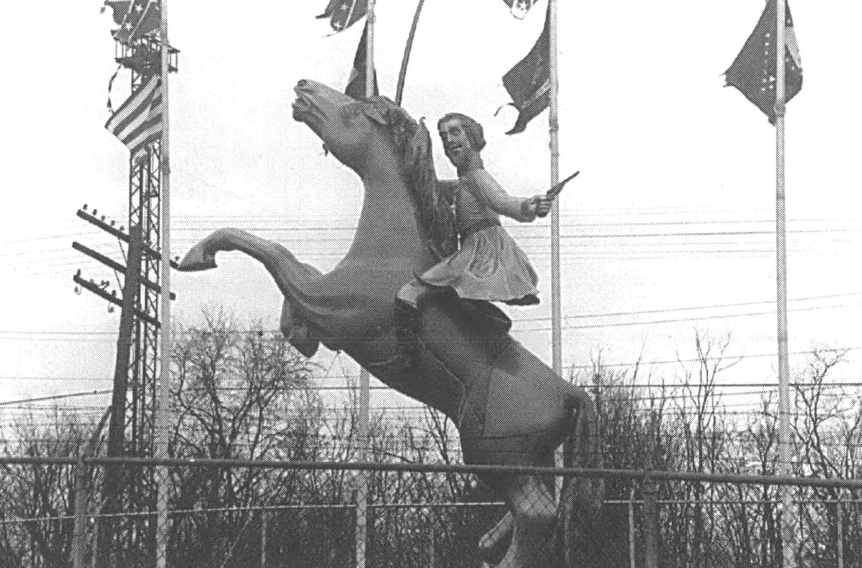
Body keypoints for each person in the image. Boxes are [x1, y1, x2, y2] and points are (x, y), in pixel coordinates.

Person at [395, 112, 553, 331]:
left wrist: (529, 206)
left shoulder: (477, 177)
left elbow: (502, 201)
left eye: (455, 132)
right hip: (476, 252)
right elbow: (434, 188)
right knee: (459, 300)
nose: (448, 140)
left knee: (409, 293)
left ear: (472, 137)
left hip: (480, 255)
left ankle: (405, 357)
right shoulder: (463, 183)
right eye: (443, 136)